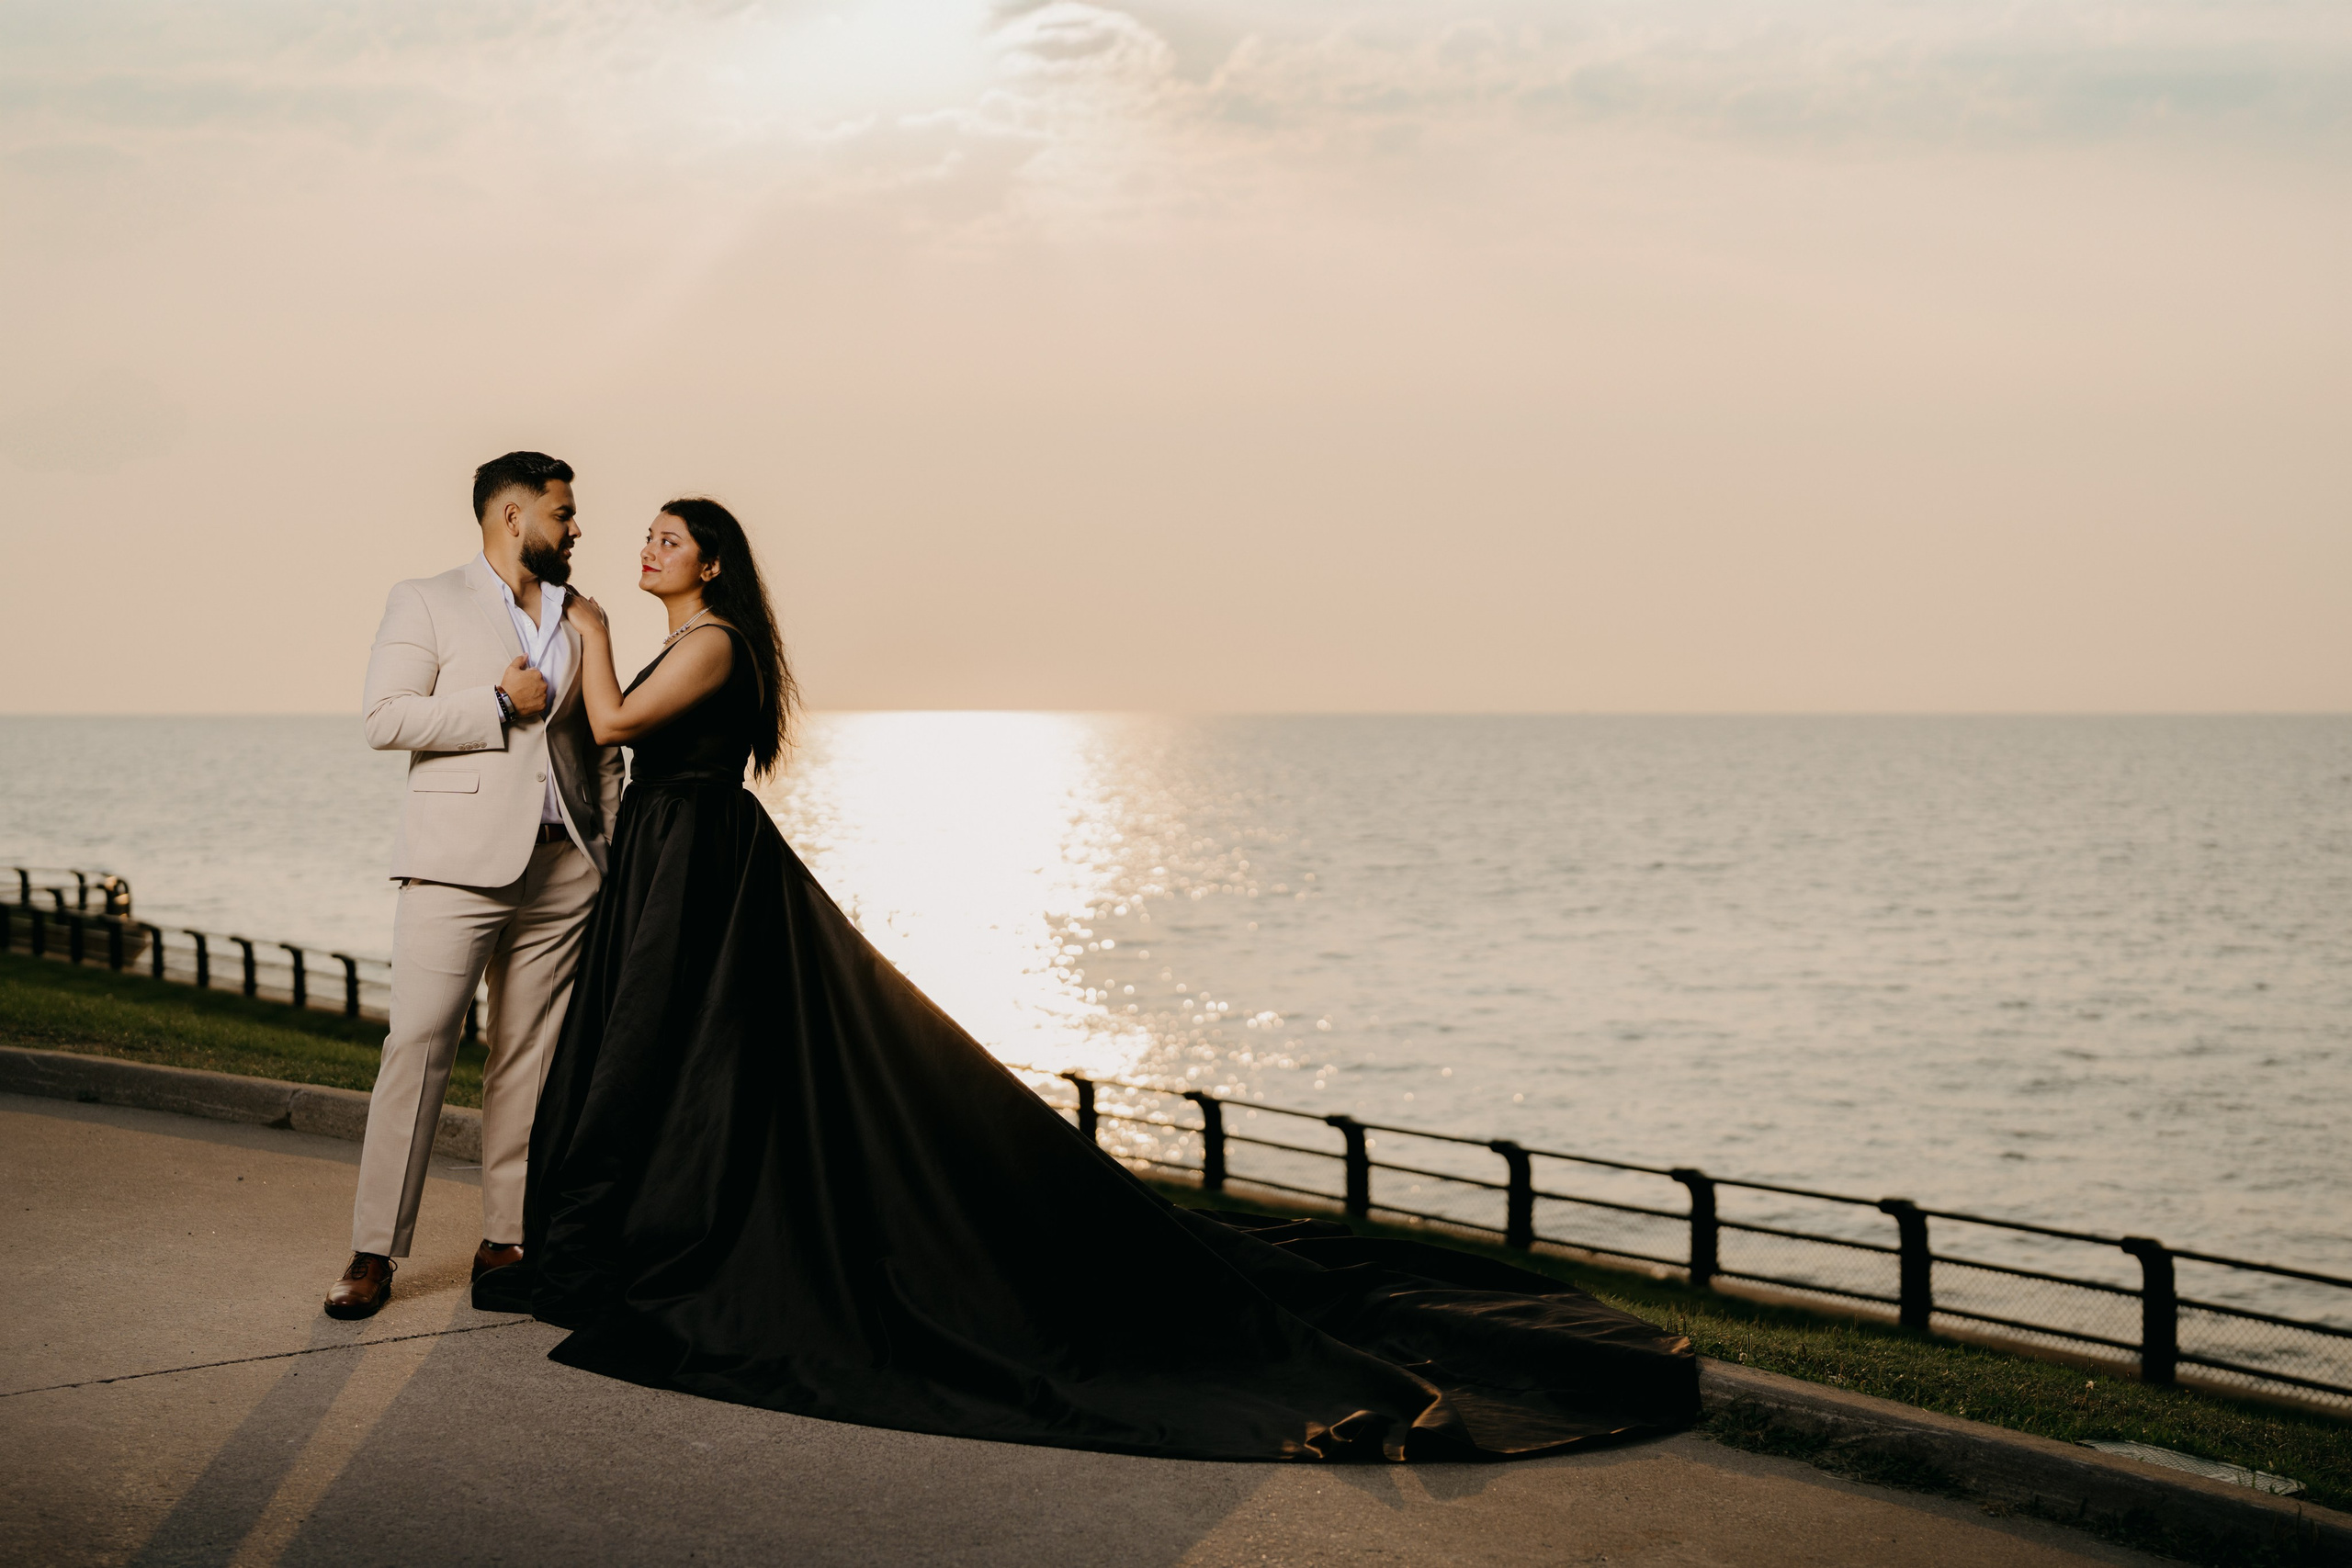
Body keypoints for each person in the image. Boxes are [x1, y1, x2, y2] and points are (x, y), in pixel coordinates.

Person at [481, 496, 1698, 1461]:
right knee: (663, 1056)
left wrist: (587, 640)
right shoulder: (682, 637)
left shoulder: (710, 643)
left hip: (702, 860)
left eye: (668, 537)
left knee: (685, 1056)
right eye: (644, 534)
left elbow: (618, 726)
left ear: (714, 563)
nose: (645, 548)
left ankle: (625, 1253)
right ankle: (606, 1247)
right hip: (669, 858)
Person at [327, 452, 624, 1319]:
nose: (575, 528)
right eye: (562, 513)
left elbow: (599, 741)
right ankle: (372, 1251)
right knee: (417, 1048)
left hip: (562, 869)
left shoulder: (583, 615)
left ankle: (505, 1240)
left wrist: (602, 848)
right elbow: (386, 717)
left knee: (526, 1060)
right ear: (510, 514)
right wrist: (494, 703)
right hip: (455, 864)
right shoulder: (426, 599)